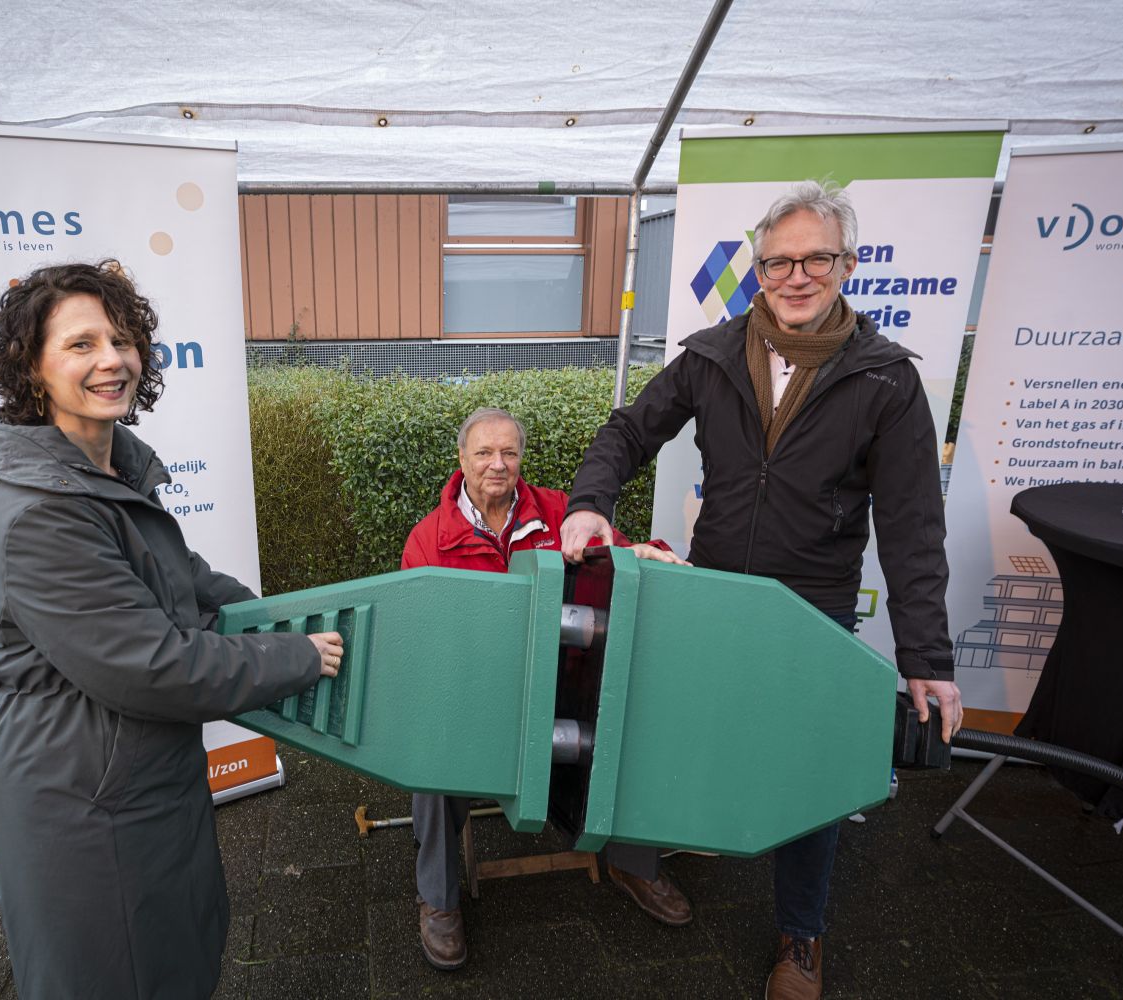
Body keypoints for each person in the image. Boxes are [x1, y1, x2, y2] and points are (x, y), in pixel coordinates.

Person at [559, 181, 964, 1000]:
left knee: (809, 772)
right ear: (759, 270)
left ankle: (800, 935)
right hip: (710, 596)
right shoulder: (713, 355)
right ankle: (639, 861)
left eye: (816, 258)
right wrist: (588, 504)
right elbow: (630, 430)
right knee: (663, 734)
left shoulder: (886, 381)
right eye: (779, 260)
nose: (796, 275)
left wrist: (926, 656)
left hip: (809, 611)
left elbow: (915, 527)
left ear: (847, 265)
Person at [0, 260, 343, 999]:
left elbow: (186, 583)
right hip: (84, 800)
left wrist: (284, 616)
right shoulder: (40, 513)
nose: (112, 360)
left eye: (122, 339)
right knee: (119, 973)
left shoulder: (108, 471)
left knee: (171, 957)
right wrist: (295, 655)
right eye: (81, 344)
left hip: (132, 774)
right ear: (32, 369)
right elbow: (152, 667)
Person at [401, 406, 692, 970]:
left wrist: (644, 554)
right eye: (484, 452)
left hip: (565, 687)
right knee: (430, 759)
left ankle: (634, 863)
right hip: (476, 700)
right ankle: (438, 899)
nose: (497, 464)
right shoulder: (430, 538)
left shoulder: (560, 513)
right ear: (462, 460)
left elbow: (615, 561)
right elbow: (420, 635)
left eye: (509, 452)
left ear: (521, 459)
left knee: (629, 723)